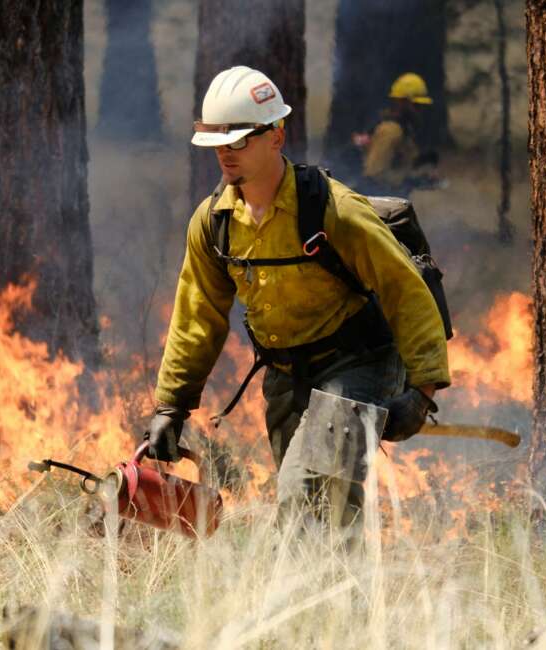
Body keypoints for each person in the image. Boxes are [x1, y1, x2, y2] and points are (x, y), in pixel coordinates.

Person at [146, 66, 450, 532]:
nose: (226, 152)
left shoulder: (334, 211)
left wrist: (422, 390)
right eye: (218, 143)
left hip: (358, 362)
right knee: (323, 517)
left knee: (305, 497)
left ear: (276, 137)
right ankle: (337, 602)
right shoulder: (214, 223)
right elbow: (197, 317)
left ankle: (311, 596)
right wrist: (172, 405)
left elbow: (406, 292)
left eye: (240, 140)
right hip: (287, 376)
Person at [353, 72, 440, 197]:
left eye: (421, 106)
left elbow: (405, 165)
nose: (420, 111)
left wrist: (423, 175)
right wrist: (408, 181)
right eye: (416, 105)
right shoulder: (391, 131)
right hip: (373, 203)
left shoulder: (404, 131)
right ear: (401, 102)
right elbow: (374, 175)